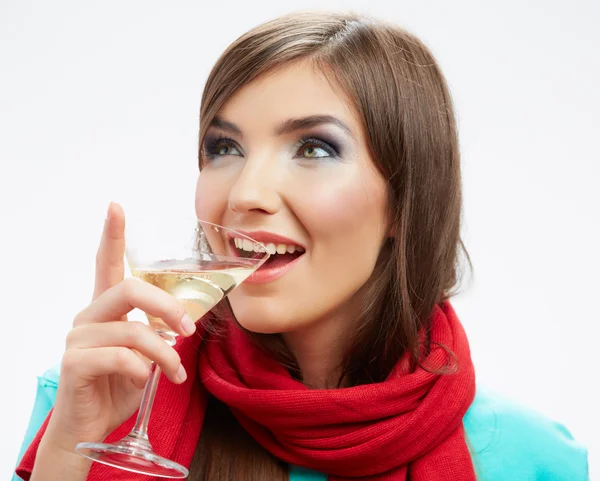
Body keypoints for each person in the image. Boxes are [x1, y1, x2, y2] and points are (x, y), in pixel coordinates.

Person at [14, 11, 588, 481]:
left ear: (405, 200)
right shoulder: (89, 400)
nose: (246, 193)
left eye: (313, 148)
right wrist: (66, 457)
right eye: (224, 148)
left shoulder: (531, 460)